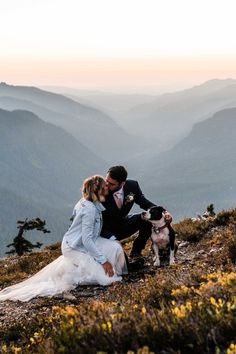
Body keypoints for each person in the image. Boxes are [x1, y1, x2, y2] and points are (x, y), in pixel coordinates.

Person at [0, 176, 127, 302]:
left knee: (115, 247)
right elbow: (86, 240)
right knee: (105, 278)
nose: (107, 188)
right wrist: (104, 261)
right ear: (98, 190)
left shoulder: (87, 202)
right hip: (75, 246)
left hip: (86, 241)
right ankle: (74, 272)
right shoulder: (90, 210)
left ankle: (84, 266)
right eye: (105, 186)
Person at [101, 166, 172, 259]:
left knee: (146, 218)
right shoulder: (100, 192)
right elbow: (96, 222)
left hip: (123, 224)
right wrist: (111, 238)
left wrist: (164, 212)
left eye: (111, 184)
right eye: (106, 180)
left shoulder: (132, 186)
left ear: (122, 183)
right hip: (105, 231)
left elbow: (144, 202)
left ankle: (136, 253)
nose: (107, 185)